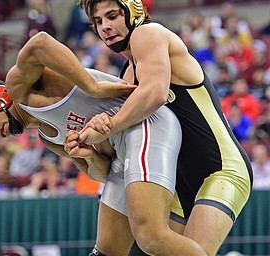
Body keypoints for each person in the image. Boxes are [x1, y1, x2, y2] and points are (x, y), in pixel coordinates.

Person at [0, 31, 207, 255]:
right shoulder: (48, 138)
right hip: (125, 151)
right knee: (106, 252)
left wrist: (93, 88)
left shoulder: (20, 89)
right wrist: (88, 155)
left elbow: (39, 42)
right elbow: (103, 174)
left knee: (151, 237)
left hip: (144, 123)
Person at [78, 0, 252, 255]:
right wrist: (87, 154)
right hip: (176, 184)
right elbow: (115, 164)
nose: (105, 27)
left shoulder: (149, 34)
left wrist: (109, 125)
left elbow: (155, 93)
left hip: (221, 170)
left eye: (112, 16)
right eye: (99, 21)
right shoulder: (126, 76)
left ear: (133, 11)